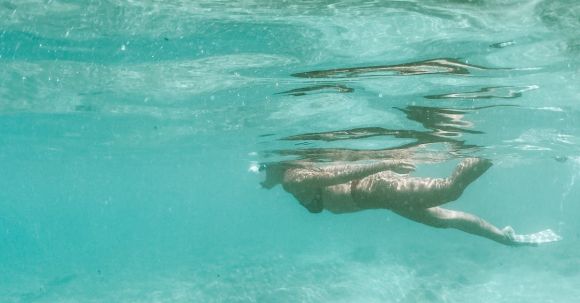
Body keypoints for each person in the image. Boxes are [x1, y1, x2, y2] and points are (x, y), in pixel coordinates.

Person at [259, 158, 561, 246]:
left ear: (277, 164)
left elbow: (339, 176)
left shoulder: (292, 178)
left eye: (263, 166)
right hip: (381, 198)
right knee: (444, 220)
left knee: (449, 191)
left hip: (374, 188)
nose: (261, 171)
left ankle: (484, 156)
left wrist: (384, 163)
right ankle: (504, 237)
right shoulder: (289, 178)